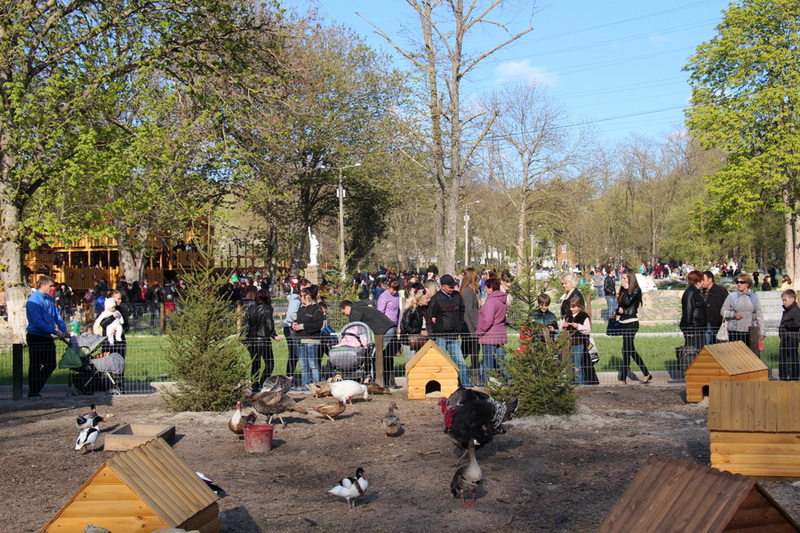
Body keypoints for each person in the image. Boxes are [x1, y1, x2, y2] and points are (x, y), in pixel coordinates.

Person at [26, 275, 70, 397]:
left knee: (50, 364)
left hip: (46, 335)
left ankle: (35, 388)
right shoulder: (34, 301)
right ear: (42, 285)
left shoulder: (49, 299)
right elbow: (37, 321)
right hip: (36, 335)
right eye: (50, 286)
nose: (53, 288)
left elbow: (57, 316)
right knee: (35, 364)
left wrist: (64, 330)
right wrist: (55, 332)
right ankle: (33, 391)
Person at [339, 299, 399, 387]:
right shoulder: (362, 308)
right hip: (390, 328)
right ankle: (390, 382)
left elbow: (355, 328)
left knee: (378, 357)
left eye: (344, 313)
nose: (346, 315)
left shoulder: (355, 312)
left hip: (383, 331)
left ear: (347, 307)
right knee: (387, 356)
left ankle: (380, 382)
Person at [427, 274, 471, 387]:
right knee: (441, 362)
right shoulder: (436, 299)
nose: (452, 289)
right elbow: (430, 318)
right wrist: (432, 336)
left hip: (454, 335)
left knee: (460, 361)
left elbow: (462, 311)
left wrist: (459, 325)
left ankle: (466, 384)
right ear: (443, 286)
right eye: (450, 287)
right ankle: (441, 385)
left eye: (453, 287)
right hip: (441, 335)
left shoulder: (457, 296)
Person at [613, 271, 651, 384]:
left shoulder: (635, 290)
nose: (622, 281)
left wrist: (624, 290)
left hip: (632, 322)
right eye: (622, 279)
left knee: (627, 349)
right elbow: (620, 305)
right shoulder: (623, 291)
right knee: (628, 350)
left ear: (631, 280)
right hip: (623, 322)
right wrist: (618, 311)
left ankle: (624, 378)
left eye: (625, 279)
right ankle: (645, 373)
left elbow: (628, 302)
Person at [720, 273, 765, 354]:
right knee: (736, 356)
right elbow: (723, 311)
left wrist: (762, 331)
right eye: (737, 282)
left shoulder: (754, 297)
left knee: (750, 356)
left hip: (750, 331)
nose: (739, 284)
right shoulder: (732, 296)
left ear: (747, 284)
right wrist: (733, 314)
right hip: (735, 331)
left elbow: (759, 315)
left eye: (742, 282)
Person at [243, 289, 278, 391]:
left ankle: (254, 385)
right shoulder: (267, 309)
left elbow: (245, 324)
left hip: (252, 340)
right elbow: (269, 324)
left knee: (255, 363)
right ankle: (263, 383)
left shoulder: (250, 308)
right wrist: (273, 334)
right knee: (270, 363)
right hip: (263, 340)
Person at [291, 285, 324, 387]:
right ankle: (305, 385)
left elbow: (318, 325)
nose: (300, 298)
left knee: (313, 364)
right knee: (303, 365)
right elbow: (298, 320)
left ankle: (316, 385)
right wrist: (294, 325)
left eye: (302, 296)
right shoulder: (301, 309)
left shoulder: (316, 310)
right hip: (300, 340)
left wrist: (303, 327)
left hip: (311, 341)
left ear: (308, 297)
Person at [476, 277, 507, 386]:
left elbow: (488, 320)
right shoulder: (502, 299)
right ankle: (510, 381)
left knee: (487, 362)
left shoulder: (491, 301)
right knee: (501, 361)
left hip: (489, 336)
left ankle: (484, 384)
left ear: (490, 288)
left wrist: (479, 331)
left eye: (486, 287)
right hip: (500, 334)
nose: (485, 289)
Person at [560, 296, 598, 385]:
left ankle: (579, 384)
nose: (571, 309)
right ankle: (570, 383)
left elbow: (588, 330)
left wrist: (578, 326)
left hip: (578, 344)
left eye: (573, 307)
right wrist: (563, 326)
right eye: (570, 307)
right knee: (569, 365)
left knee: (577, 365)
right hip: (568, 344)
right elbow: (560, 328)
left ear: (579, 306)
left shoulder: (583, 316)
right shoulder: (567, 316)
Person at [680, 270, 708, 353]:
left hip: (699, 327)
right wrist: (689, 329)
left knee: (699, 350)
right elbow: (688, 311)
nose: (704, 282)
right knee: (693, 351)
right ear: (698, 280)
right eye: (703, 279)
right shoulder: (691, 292)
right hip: (694, 328)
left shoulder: (696, 291)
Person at [459, 267, 481, 377]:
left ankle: (461, 370)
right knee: (472, 350)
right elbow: (470, 310)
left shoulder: (469, 290)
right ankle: (474, 374)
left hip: (469, 326)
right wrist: (478, 325)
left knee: (468, 350)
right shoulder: (467, 291)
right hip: (470, 327)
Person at [701, 271, 728, 345]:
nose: (701, 282)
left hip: (718, 323)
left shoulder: (720, 291)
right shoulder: (702, 292)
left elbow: (726, 306)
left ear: (710, 280)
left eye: (703, 279)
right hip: (706, 323)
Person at [778, 289, 800, 381]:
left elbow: (797, 323)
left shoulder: (795, 310)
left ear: (792, 299)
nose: (783, 302)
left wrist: (786, 325)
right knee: (782, 358)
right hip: (785, 337)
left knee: (792, 358)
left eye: (785, 300)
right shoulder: (788, 310)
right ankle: (783, 376)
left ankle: (794, 377)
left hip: (791, 337)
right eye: (783, 300)